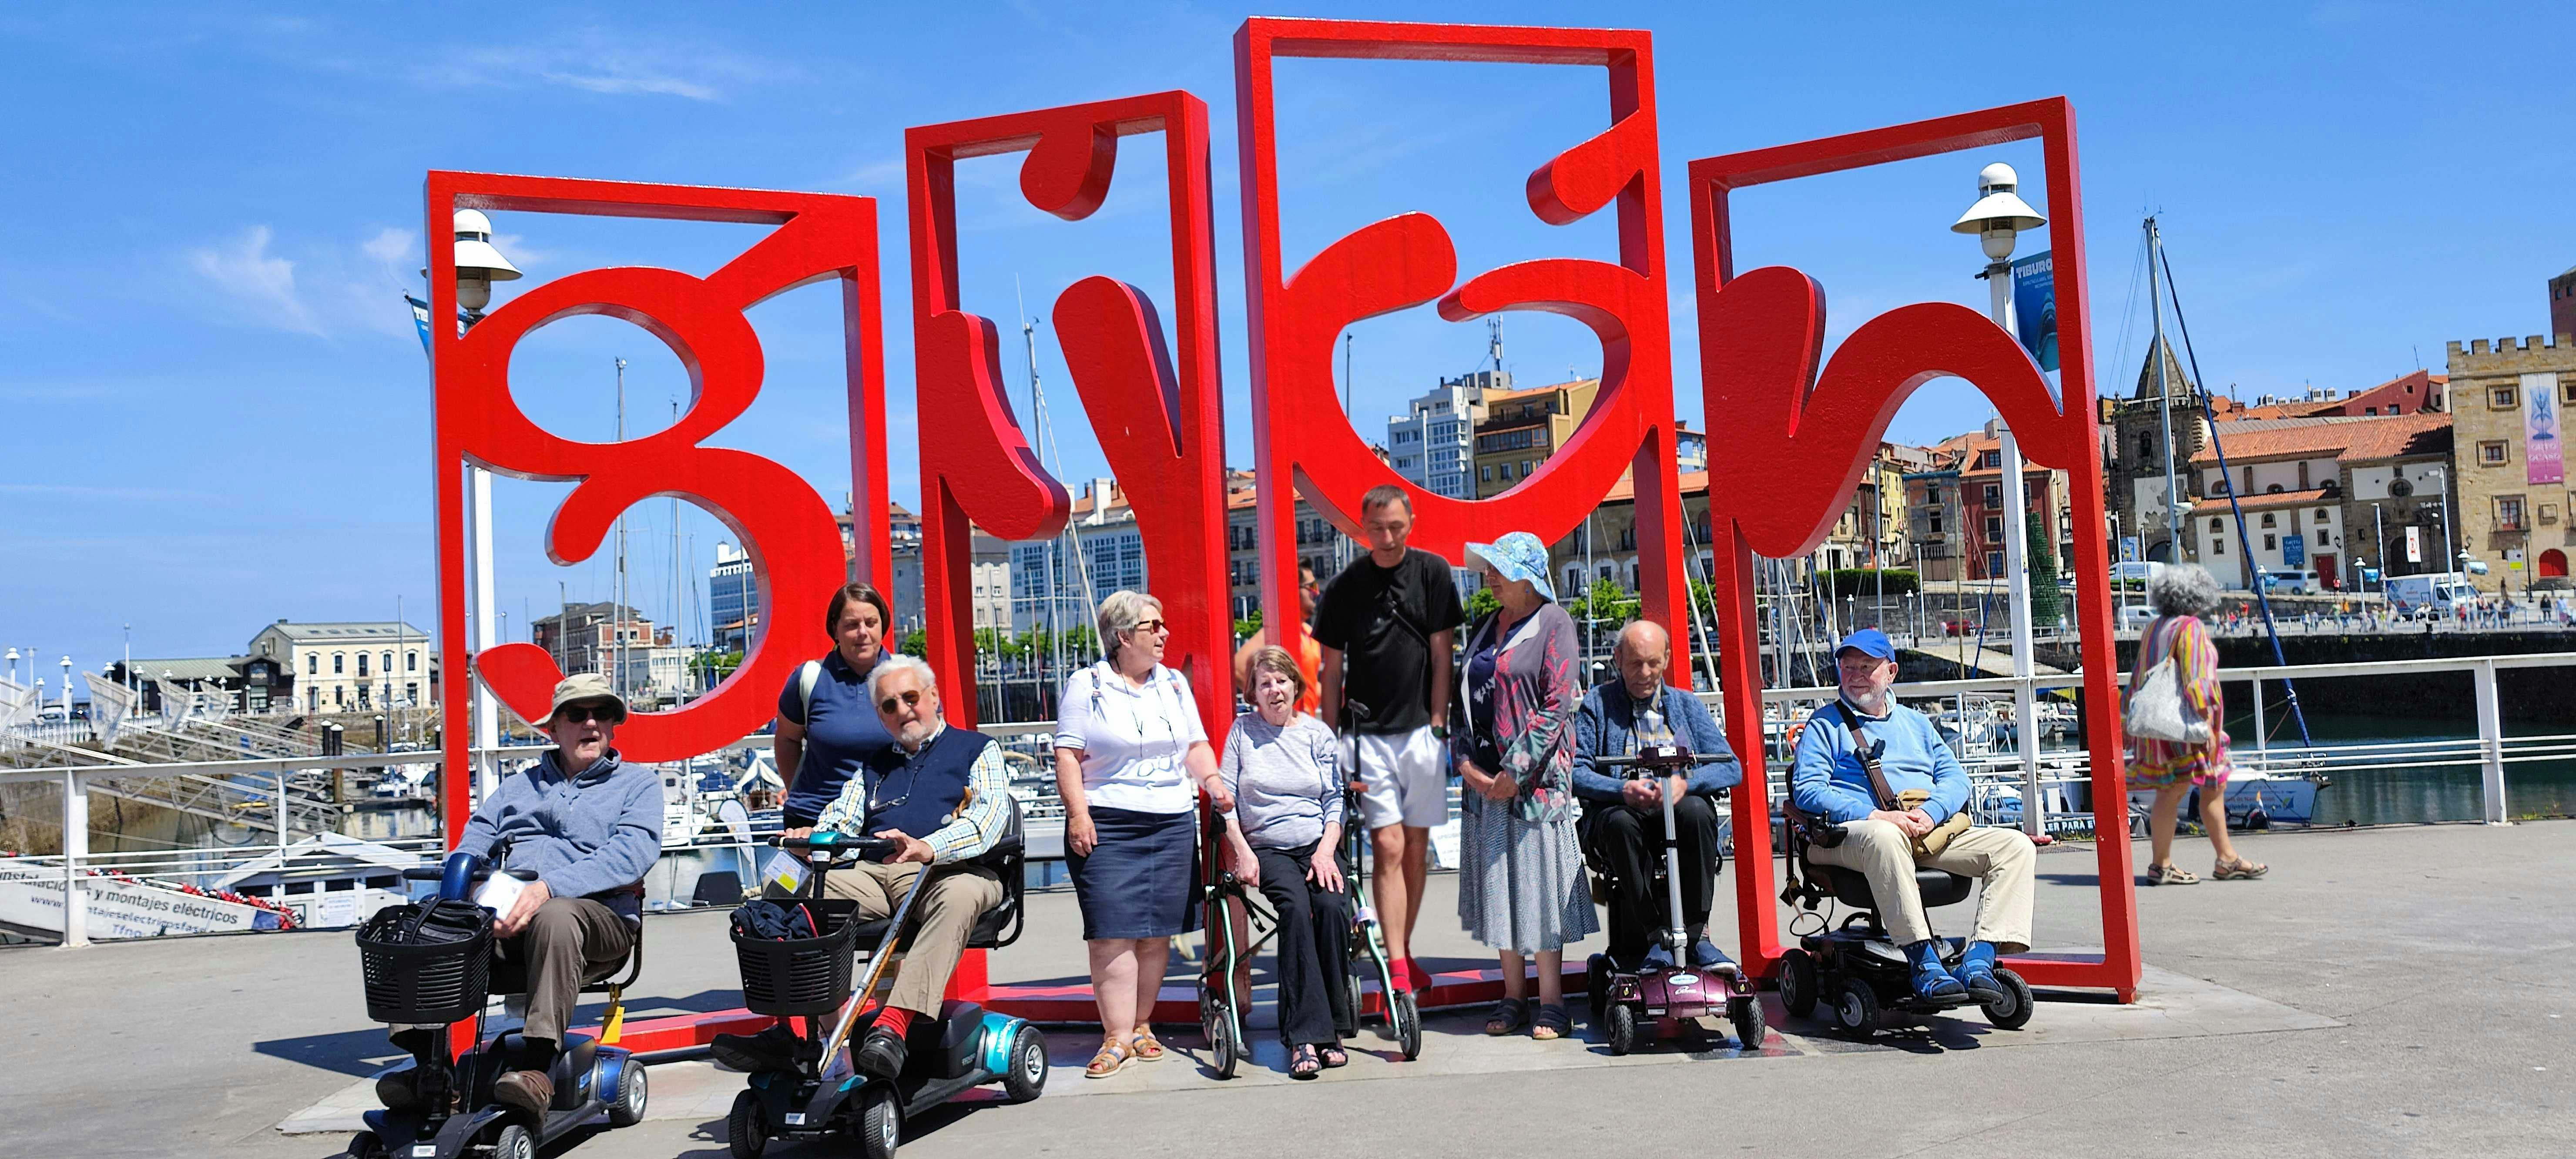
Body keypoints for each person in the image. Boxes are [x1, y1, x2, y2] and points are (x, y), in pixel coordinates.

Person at [711, 654, 1011, 1080]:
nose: (903, 710)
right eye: (889, 705)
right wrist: (811, 843)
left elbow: (988, 819)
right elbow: (841, 820)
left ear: (934, 696)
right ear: (881, 716)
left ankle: (894, 1026)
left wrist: (928, 846)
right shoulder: (872, 765)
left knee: (961, 893)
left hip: (949, 871)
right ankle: (800, 1031)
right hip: (875, 873)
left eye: (910, 698)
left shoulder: (977, 749)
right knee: (783, 888)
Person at [377, 673, 661, 1116]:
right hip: (508, 920)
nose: (591, 724)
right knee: (418, 925)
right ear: (554, 728)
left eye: (602, 714)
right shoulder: (516, 788)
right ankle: (431, 1070)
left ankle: (537, 1069)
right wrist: (472, 893)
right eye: (577, 714)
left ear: (613, 725)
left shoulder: (639, 785)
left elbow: (632, 855)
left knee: (557, 916)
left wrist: (545, 890)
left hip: (600, 920)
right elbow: (474, 842)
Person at [1789, 629, 2036, 1006]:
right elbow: (1807, 790)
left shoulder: (1917, 723)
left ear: (1891, 672)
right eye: (1847, 666)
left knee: (2015, 847)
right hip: (1842, 837)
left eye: (1866, 667)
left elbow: (1956, 779)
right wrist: (1876, 816)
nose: (1854, 675)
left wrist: (1930, 813)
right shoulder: (1825, 725)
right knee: (1884, 838)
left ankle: (1980, 959)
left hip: (1920, 830)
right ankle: (1924, 964)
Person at [1054, 590, 1234, 1079]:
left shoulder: (1173, 684)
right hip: (1108, 820)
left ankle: (1140, 1025)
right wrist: (1077, 815)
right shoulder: (1086, 685)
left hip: (1171, 820)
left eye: (1162, 625)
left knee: (1157, 934)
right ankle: (1115, 1037)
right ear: (1122, 636)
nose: (1164, 634)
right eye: (1153, 626)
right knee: (1111, 933)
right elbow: (1067, 755)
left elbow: (1194, 745)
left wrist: (1213, 781)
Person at [1312, 484, 1463, 994]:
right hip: (1365, 733)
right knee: (1388, 844)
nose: (1387, 536)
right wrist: (1329, 740)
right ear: (1362, 528)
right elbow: (1330, 672)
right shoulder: (1343, 588)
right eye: (1377, 527)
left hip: (1423, 730)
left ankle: (1404, 949)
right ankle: (1397, 966)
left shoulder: (1433, 574)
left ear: (1411, 522)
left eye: (1396, 526)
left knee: (1417, 848)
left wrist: (1440, 721)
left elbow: (1444, 654)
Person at [1450, 532, 1597, 1041]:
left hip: (1534, 789)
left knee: (1538, 891)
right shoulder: (1485, 624)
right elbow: (1462, 700)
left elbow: (1557, 703)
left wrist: (1515, 772)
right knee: (1500, 890)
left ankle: (1553, 1002)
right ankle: (1512, 996)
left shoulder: (1554, 623)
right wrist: (1465, 764)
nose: (1487, 577)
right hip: (1485, 786)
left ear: (1526, 577)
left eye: (1497, 569)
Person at [1572, 620, 1741, 971]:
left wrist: (1684, 785)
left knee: (1697, 812)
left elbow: (1731, 767)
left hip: (1676, 809)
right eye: (1635, 663)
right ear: (1618, 659)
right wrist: (1622, 790)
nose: (1645, 673)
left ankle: (1695, 937)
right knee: (1619, 824)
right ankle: (1656, 936)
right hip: (1622, 810)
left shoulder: (1687, 705)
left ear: (1666, 659)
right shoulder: (1597, 705)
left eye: (1653, 663)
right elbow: (1575, 771)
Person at [1216, 646, 1351, 1079]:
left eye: (1280, 681)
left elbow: (1335, 799)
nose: (1273, 690)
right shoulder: (1242, 732)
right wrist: (1242, 850)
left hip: (1318, 843)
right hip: (1268, 849)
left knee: (1331, 908)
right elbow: (1226, 801)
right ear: (1253, 693)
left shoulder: (1317, 733)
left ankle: (1332, 1029)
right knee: (1294, 909)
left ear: (1296, 685)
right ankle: (1304, 1038)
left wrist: (1327, 850)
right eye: (1264, 683)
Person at [2130, 563, 2268, 885]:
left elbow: (2139, 677)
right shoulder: (2189, 628)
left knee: (2176, 789)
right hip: (2187, 728)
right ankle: (2214, 861)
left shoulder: (2154, 629)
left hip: (2159, 728)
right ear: (2196, 598)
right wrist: (2206, 722)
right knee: (2206, 787)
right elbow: (2197, 676)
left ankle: (2179, 863)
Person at [777, 583, 899, 834]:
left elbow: (932, 743)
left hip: (889, 823)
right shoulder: (810, 677)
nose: (863, 632)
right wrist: (798, 792)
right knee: (786, 877)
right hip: (813, 821)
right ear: (835, 630)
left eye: (871, 623)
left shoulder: (909, 678)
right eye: (852, 625)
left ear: (883, 625)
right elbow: (787, 739)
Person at [1233, 560, 1323, 715]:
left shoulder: (1310, 634)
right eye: (1312, 587)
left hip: (1306, 725)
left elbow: (1312, 686)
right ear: (1295, 590)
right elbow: (1238, 667)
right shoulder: (1276, 631)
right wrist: (1269, 702)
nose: (1317, 593)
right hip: (1283, 729)